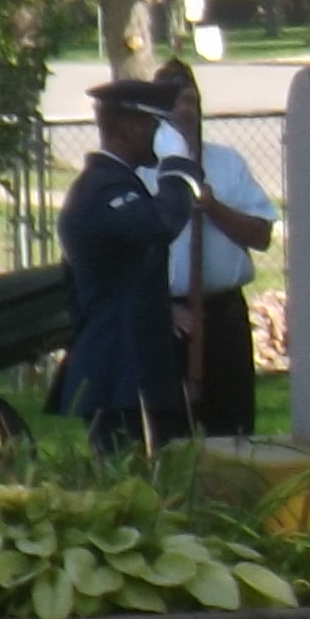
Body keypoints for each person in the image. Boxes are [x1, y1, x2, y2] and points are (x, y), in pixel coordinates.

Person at [52, 79, 197, 452]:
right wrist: (177, 165)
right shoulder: (104, 189)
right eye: (158, 125)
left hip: (129, 371)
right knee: (128, 475)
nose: (165, 135)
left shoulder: (116, 183)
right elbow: (161, 223)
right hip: (118, 372)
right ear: (130, 126)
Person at [149, 61, 276, 440]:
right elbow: (122, 255)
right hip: (164, 315)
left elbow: (261, 235)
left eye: (191, 100)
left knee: (231, 428)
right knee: (166, 432)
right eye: (174, 102)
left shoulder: (226, 163)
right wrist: (162, 306)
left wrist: (214, 207)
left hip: (222, 312)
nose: (184, 110)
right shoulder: (143, 169)